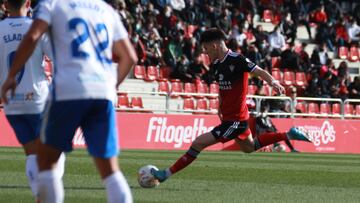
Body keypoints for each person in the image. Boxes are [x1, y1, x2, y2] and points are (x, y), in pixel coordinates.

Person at [1, 0, 138, 202]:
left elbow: (33, 36)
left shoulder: (53, 5)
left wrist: (12, 76)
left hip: (67, 89)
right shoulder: (106, 9)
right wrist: (112, 86)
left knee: (46, 162)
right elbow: (130, 57)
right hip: (102, 91)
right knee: (111, 172)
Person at [151, 28, 311, 183]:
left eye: (206, 49)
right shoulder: (217, 65)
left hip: (236, 120)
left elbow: (259, 71)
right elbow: (222, 88)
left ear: (214, 46)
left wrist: (274, 82)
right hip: (230, 118)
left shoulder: (237, 59)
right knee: (250, 147)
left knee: (198, 143)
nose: (205, 53)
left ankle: (165, 174)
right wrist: (220, 107)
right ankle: (289, 135)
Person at [0, 0, 65, 201]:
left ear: (4, 5)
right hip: (38, 99)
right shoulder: (37, 27)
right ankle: (45, 196)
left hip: (11, 102)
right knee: (55, 151)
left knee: (31, 153)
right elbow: (58, 59)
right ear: (28, 3)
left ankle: (41, 194)